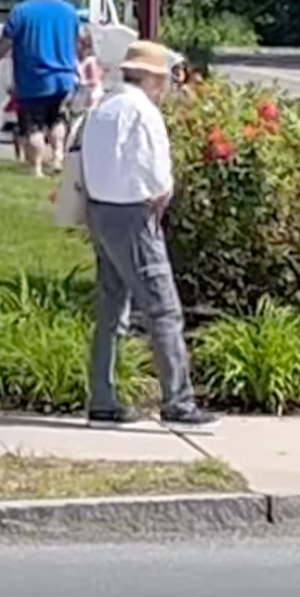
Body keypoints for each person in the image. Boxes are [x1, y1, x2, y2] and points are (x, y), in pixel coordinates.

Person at [80, 40, 218, 428]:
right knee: (163, 309)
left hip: (100, 209)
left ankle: (102, 399)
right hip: (134, 212)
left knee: (111, 308)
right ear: (154, 78)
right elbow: (158, 177)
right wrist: (159, 204)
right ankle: (178, 402)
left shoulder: (103, 106)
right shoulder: (144, 112)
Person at [0, 0, 80, 177]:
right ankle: (57, 157)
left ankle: (36, 168)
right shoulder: (69, 11)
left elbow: (6, 41)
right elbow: (78, 41)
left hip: (33, 79)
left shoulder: (21, 11)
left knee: (33, 126)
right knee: (58, 119)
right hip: (64, 77)